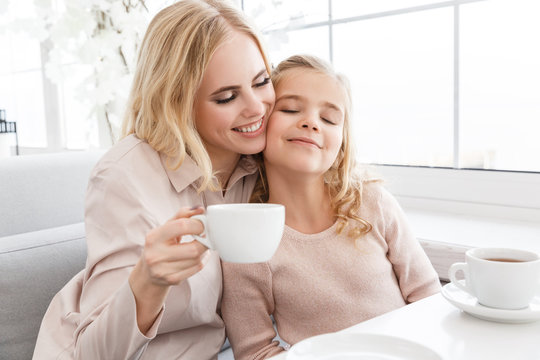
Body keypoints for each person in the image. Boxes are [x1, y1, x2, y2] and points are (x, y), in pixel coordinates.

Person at [33, 1, 275, 359]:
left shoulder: (264, 160)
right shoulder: (124, 177)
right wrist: (149, 281)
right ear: (177, 101)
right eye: (226, 97)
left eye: (262, 82)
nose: (257, 107)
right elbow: (95, 354)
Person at [220, 55, 441, 360]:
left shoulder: (373, 202)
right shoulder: (247, 242)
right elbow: (255, 351)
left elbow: (428, 300)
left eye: (329, 119)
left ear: (341, 144)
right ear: (259, 126)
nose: (311, 122)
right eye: (290, 109)